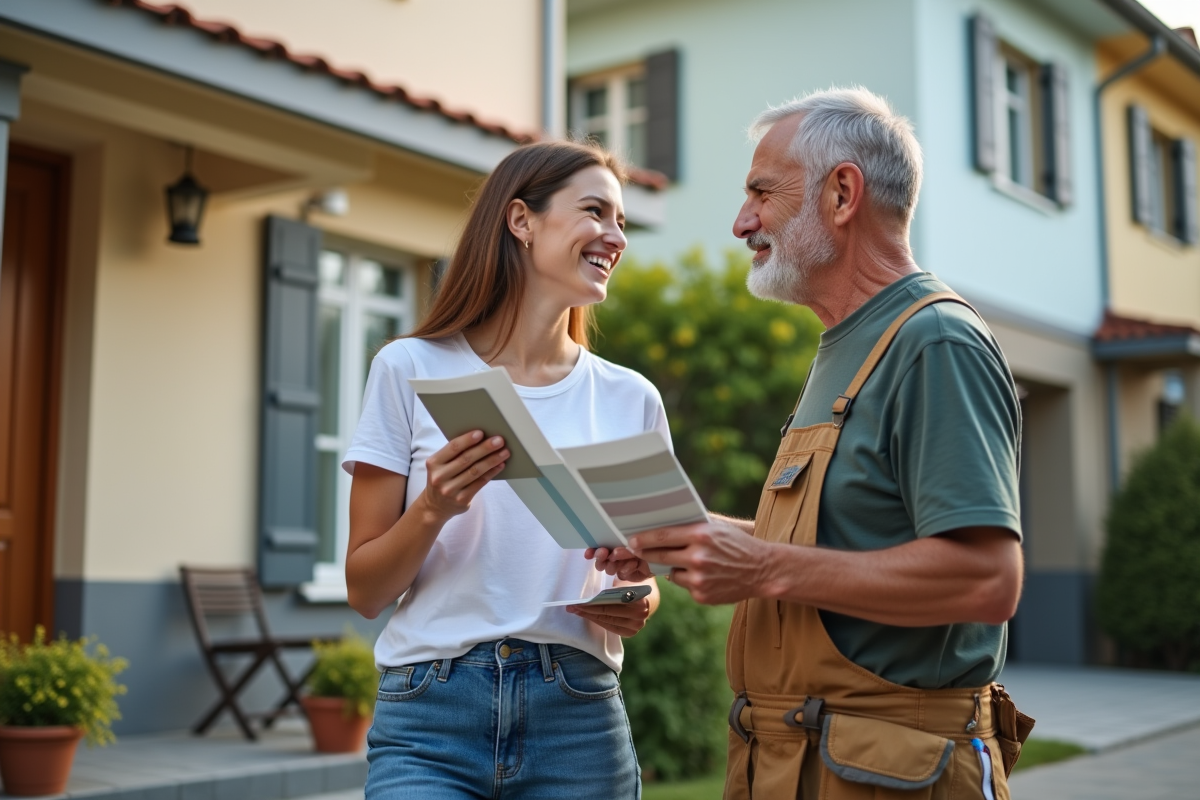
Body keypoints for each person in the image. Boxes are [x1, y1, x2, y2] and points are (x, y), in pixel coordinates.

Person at [589, 88, 1033, 799]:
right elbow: (843, 538)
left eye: (762, 192)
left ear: (842, 193)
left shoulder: (933, 341)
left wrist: (762, 567)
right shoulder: (845, 346)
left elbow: (987, 579)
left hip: (892, 774)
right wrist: (693, 539)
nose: (741, 222)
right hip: (802, 766)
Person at [344, 140, 663, 800]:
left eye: (622, 221)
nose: (615, 236)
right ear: (521, 220)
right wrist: (433, 506)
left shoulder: (630, 398)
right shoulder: (410, 369)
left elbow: (645, 581)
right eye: (596, 211)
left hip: (577, 717)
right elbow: (365, 591)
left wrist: (638, 595)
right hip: (430, 715)